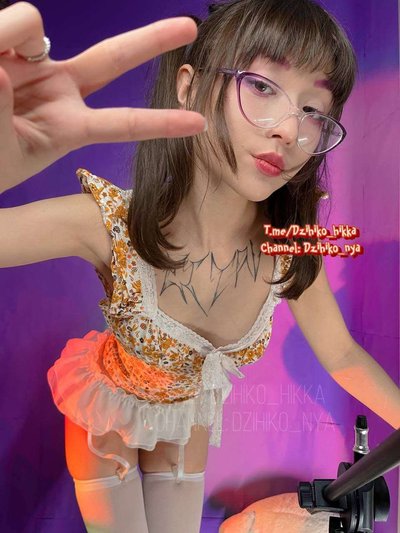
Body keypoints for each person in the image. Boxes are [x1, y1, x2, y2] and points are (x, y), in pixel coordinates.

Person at [1, 1, 399, 532]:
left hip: (185, 423)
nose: (289, 130)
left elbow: (342, 353)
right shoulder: (109, 222)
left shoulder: (290, 249)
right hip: (108, 417)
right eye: (262, 86)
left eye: (313, 112)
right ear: (189, 87)